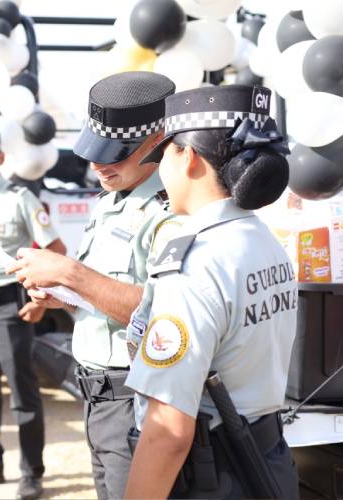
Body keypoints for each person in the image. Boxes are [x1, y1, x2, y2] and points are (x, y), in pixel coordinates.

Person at [121, 85, 299, 499]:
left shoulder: (193, 262)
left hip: (213, 475)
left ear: (189, 157)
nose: (160, 167)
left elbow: (169, 433)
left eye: (164, 153)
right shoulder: (263, 240)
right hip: (266, 460)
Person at [8, 71, 176, 499]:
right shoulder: (109, 204)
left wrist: (70, 274)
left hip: (136, 399)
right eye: (95, 151)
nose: (99, 165)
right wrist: (59, 293)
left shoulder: (171, 211)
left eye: (115, 154)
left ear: (157, 139)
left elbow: (167, 320)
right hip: (99, 396)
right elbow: (103, 298)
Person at [0, 129, 66, 500]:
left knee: (23, 393)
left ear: (0, 158)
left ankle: (31, 472)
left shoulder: (21, 197)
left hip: (9, 306)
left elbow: (56, 250)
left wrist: (41, 300)